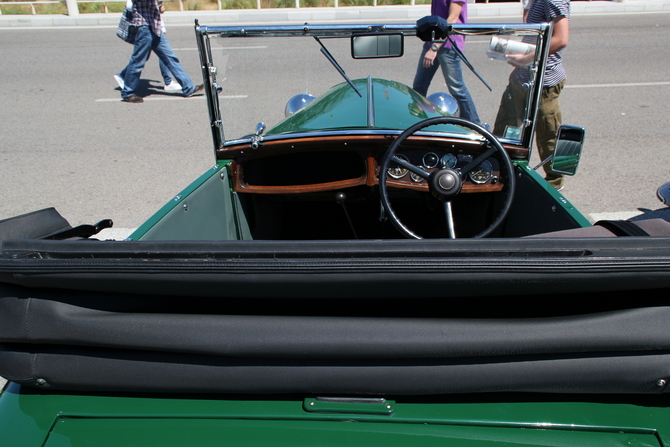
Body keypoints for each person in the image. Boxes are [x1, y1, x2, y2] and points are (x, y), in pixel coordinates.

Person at [493, 0, 570, 189]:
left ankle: (555, 183)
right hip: (524, 76)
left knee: (548, 135)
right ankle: (498, 170)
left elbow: (561, 38)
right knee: (504, 128)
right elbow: (534, 33)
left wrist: (527, 59)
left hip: (544, 81)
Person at [412, 0, 481, 124]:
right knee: (419, 87)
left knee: (457, 89)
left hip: (447, 43)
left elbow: (452, 18)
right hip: (432, 41)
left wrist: (434, 47)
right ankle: (415, 123)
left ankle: (474, 125)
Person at [120, 0, 203, 103]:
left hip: (155, 28)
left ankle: (188, 88)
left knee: (170, 57)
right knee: (138, 61)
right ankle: (127, 92)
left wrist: (159, 7)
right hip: (143, 28)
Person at [115, 0, 181, 93]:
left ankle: (123, 76)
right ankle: (168, 82)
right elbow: (130, 6)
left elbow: (155, 9)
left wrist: (159, 8)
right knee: (142, 58)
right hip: (145, 27)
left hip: (155, 25)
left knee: (145, 57)